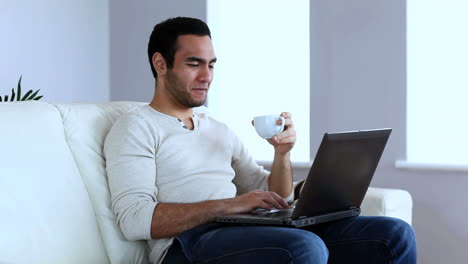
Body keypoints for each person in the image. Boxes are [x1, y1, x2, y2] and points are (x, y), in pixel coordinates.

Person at [104, 17, 416, 264]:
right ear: (161, 64)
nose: (206, 76)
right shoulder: (135, 127)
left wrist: (282, 155)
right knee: (303, 248)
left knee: (393, 234)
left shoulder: (216, 127)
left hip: (241, 231)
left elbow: (273, 193)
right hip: (186, 245)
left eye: (211, 65)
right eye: (193, 64)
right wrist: (232, 205)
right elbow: (135, 219)